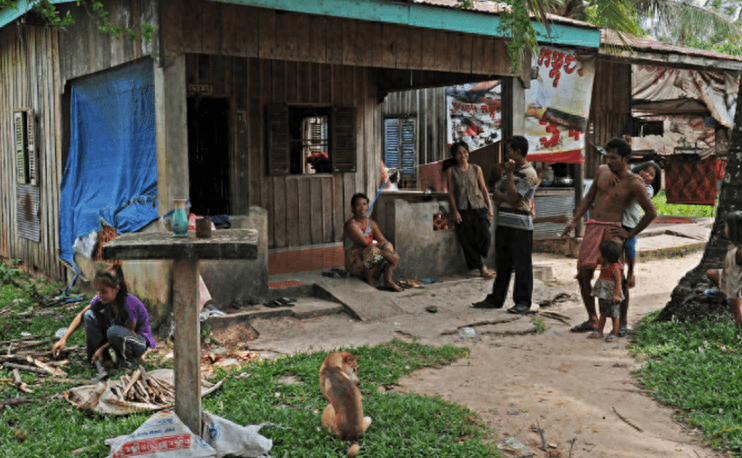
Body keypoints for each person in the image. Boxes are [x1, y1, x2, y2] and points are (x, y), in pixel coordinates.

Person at [561, 138, 657, 335]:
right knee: (583, 274)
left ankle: (622, 324)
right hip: (593, 226)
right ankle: (592, 319)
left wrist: (630, 234)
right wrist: (574, 221)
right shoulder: (602, 171)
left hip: (613, 230)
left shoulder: (634, 183)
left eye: (614, 158)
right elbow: (589, 197)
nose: (610, 161)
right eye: (608, 157)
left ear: (626, 158)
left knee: (616, 275)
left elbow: (651, 212)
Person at [472, 136, 539, 313]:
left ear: (518, 152)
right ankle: (496, 299)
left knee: (522, 265)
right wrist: (509, 194)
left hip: (521, 226)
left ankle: (523, 302)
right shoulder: (512, 172)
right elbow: (496, 195)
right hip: (504, 224)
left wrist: (509, 179)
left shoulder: (530, 174)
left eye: (509, 150)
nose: (507, 154)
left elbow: (515, 199)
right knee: (502, 264)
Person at [52, 265, 155, 369]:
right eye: (98, 290)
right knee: (89, 315)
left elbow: (128, 335)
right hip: (117, 336)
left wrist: (101, 349)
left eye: (104, 291)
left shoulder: (129, 304)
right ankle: (102, 361)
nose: (100, 294)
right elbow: (82, 315)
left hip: (138, 342)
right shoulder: (102, 298)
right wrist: (64, 338)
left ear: (116, 289)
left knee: (113, 331)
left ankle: (128, 363)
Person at [446, 141, 495, 278]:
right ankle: (481, 267)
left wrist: (489, 207)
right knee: (467, 240)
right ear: (455, 156)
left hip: (479, 207)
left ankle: (480, 259)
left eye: (465, 152)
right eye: (459, 153)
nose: (463, 155)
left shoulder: (476, 169)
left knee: (485, 235)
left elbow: (484, 189)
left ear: (468, 153)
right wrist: (455, 211)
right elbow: (450, 192)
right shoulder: (451, 171)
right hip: (463, 210)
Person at [344, 193, 403, 292]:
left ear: (368, 206)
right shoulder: (351, 225)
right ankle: (369, 282)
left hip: (368, 259)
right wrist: (390, 256)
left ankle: (388, 280)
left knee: (388, 246)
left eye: (364, 204)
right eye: (358, 205)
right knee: (373, 251)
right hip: (354, 263)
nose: (362, 207)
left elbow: (383, 240)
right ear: (353, 208)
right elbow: (365, 244)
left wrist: (389, 251)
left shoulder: (371, 223)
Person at [622, 161, 662, 289]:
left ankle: (631, 271)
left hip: (631, 224)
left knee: (629, 247)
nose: (647, 175)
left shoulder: (648, 189)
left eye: (651, 174)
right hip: (618, 220)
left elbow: (643, 195)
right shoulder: (629, 178)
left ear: (654, 180)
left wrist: (640, 183)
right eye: (645, 171)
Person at [705, 210, 742, 331]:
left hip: (735, 284)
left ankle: (738, 337)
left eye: (727, 226)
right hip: (727, 277)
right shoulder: (733, 246)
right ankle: (723, 291)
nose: (724, 228)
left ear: (734, 229)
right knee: (711, 273)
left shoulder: (740, 251)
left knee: (738, 311)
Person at [588, 240, 625, 342]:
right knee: (603, 313)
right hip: (603, 295)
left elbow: (618, 282)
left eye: (599, 252)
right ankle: (600, 331)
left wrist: (616, 295)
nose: (597, 254)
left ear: (606, 255)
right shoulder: (602, 266)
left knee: (614, 315)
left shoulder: (615, 268)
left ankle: (615, 333)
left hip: (613, 296)